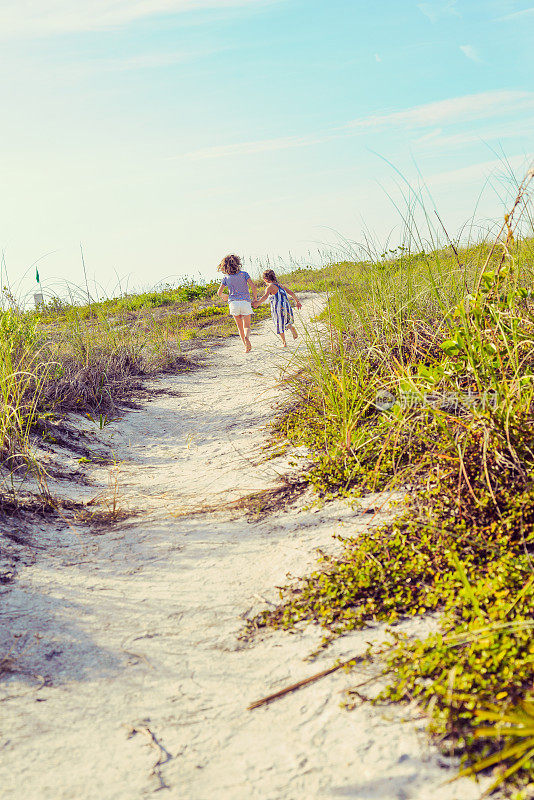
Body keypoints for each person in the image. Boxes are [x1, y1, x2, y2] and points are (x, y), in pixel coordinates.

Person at [217, 254, 257, 353]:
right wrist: (255, 298)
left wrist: (224, 296)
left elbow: (219, 293)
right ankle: (247, 338)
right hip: (245, 302)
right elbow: (253, 287)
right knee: (247, 326)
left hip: (233, 304)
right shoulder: (244, 274)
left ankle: (245, 347)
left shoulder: (226, 278)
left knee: (240, 328)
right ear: (238, 263)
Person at [253, 269, 302, 347]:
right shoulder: (280, 285)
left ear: (265, 279)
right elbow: (291, 293)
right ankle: (290, 326)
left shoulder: (270, 287)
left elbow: (265, 296)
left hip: (277, 308)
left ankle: (284, 342)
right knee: (286, 320)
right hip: (287, 306)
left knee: (278, 323)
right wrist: (297, 302)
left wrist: (258, 303)